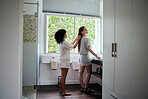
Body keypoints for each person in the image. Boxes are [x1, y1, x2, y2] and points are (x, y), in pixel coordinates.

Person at [76, 26, 100, 93]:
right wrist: (96, 55)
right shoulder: (86, 39)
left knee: (80, 72)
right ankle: (86, 88)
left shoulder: (80, 39)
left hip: (80, 57)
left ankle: (82, 87)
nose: (86, 30)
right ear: (82, 32)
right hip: (85, 57)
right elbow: (89, 49)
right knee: (89, 72)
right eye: (84, 29)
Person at [54, 29, 77, 96]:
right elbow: (74, 46)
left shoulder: (63, 42)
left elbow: (71, 45)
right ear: (63, 35)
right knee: (64, 76)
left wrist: (76, 39)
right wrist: (78, 40)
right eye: (65, 33)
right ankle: (63, 92)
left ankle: (61, 90)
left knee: (62, 76)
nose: (66, 34)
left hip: (62, 60)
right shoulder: (64, 42)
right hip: (65, 61)